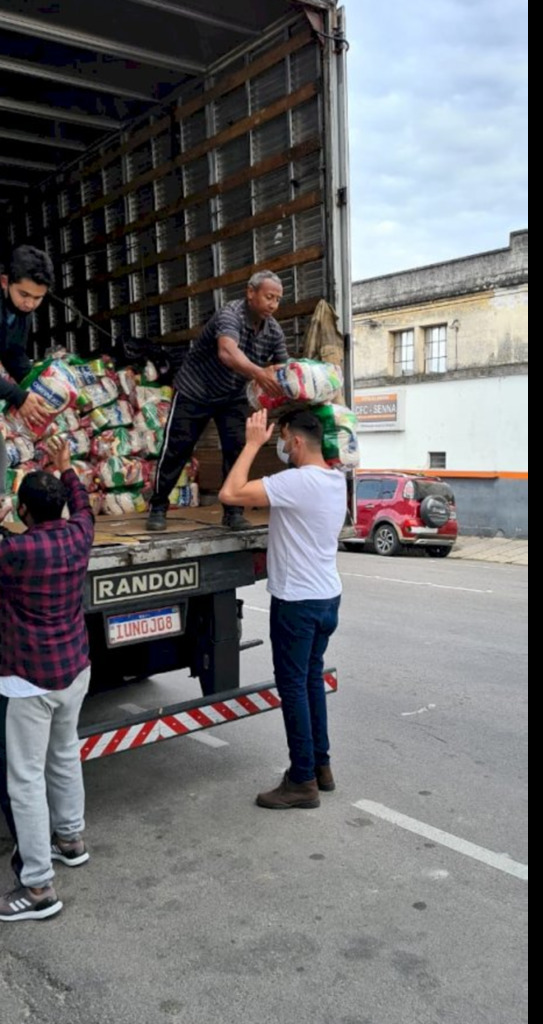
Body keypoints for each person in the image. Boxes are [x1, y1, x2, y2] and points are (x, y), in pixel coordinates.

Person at [220, 408, 347, 810]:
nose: (280, 446)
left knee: (293, 687)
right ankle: (320, 767)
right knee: (310, 682)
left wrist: (253, 443)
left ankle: (301, 781)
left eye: (283, 437)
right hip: (327, 597)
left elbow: (230, 493)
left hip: (298, 602)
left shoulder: (298, 481)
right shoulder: (334, 479)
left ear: (295, 441)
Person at [0, 437, 95, 922]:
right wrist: (67, 468)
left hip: (30, 680)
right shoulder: (79, 534)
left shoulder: (15, 552)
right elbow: (82, 505)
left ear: (22, 510)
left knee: (25, 780)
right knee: (64, 755)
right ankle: (71, 838)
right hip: (74, 669)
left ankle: (37, 887)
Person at [147, 271, 289, 533]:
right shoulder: (230, 314)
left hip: (232, 395)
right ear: (250, 292)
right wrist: (260, 373)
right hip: (194, 390)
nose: (273, 304)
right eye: (269, 297)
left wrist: (298, 382)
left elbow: (283, 368)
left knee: (236, 450)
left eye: (278, 300)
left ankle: (233, 512)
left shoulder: (274, 331)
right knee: (177, 448)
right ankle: (158, 506)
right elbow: (227, 352)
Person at [0, 246, 55, 503]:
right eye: (24, 294)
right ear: (4, 282)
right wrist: (19, 396)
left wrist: (39, 384)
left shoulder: (22, 312)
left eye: (38, 298)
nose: (30, 303)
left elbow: (13, 353)